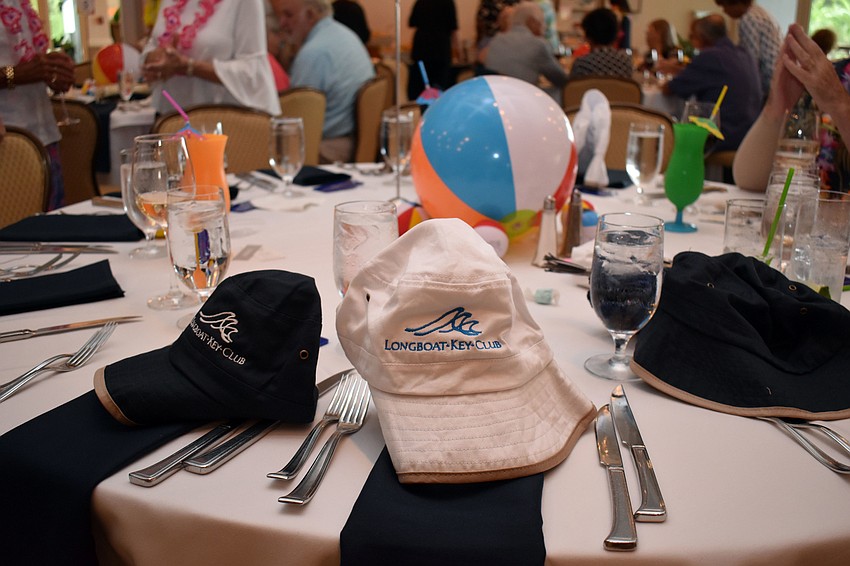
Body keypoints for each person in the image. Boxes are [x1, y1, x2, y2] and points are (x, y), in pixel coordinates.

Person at [734, 24, 850, 193]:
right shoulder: (833, 77)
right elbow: (749, 180)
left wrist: (839, 106)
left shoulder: (834, 91)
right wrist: (777, 108)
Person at [272, 0, 374, 163]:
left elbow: (294, 122)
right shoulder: (343, 34)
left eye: (288, 15)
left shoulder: (315, 53)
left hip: (330, 148)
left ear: (311, 15)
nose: (282, 23)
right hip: (357, 141)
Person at [141, 0, 280, 116]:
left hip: (226, 120)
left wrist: (189, 66)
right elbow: (153, 43)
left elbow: (252, 72)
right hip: (171, 115)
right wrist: (153, 59)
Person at [0, 0, 74, 210]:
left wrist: (51, 73)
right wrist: (15, 75)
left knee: (52, 225)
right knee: (15, 227)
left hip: (45, 135)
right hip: (7, 142)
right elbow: (19, 71)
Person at [661, 14, 762, 153]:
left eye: (692, 36)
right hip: (750, 136)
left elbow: (671, 89)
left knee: (665, 138)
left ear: (702, 37)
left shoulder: (709, 57)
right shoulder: (745, 54)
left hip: (723, 137)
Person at [483, 1, 568, 93]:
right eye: (541, 22)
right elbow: (561, 80)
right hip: (521, 95)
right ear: (531, 21)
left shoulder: (497, 39)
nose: (544, 27)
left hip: (495, 94)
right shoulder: (537, 44)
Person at [714, 0, 781, 96]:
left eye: (725, 6)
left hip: (769, 82)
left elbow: (750, 61)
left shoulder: (748, 19)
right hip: (778, 77)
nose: (725, 11)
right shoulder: (760, 12)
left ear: (736, 3)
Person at [408, 0, 459, 101]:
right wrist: (458, 52)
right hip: (441, 50)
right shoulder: (448, 2)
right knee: (440, 89)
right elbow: (453, 28)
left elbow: (412, 22)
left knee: (420, 89)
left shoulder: (421, 2)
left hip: (422, 49)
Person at [569, 8, 633, 80]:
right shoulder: (626, 63)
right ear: (616, 35)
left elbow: (571, 86)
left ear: (587, 37)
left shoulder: (581, 64)